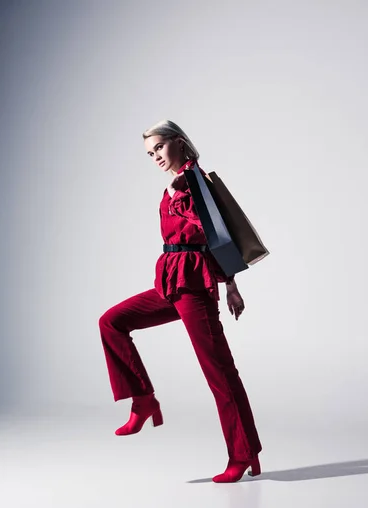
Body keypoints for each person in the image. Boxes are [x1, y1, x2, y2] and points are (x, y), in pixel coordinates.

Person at [98, 119, 262, 483]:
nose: (155, 156)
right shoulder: (178, 181)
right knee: (111, 322)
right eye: (150, 152)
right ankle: (143, 401)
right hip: (171, 281)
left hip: (194, 284)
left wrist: (230, 283)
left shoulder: (193, 180)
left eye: (159, 147)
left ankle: (242, 454)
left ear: (178, 142)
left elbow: (214, 232)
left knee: (219, 372)